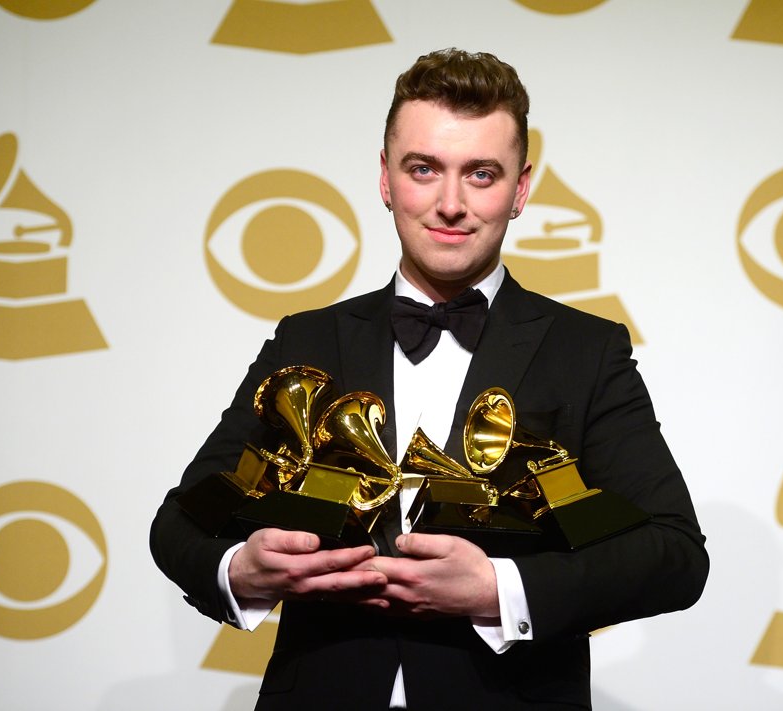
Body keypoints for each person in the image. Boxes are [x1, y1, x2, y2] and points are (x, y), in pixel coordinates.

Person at [151, 48, 708, 710]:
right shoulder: (307, 340)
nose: (450, 204)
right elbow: (179, 523)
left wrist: (500, 589)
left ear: (520, 190)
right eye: (424, 169)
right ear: (385, 179)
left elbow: (675, 554)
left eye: (481, 174)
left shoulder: (585, 351)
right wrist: (241, 569)